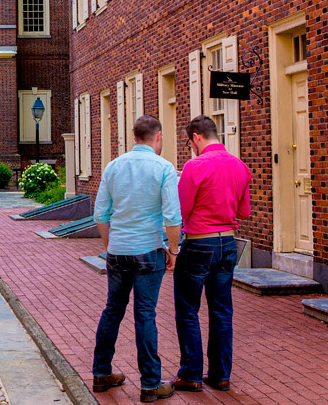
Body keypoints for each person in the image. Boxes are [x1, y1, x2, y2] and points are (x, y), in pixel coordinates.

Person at [92, 115, 182, 402]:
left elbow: (100, 214)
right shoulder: (164, 168)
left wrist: (110, 245)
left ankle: (101, 373)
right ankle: (150, 384)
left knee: (112, 310)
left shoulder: (113, 167)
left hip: (118, 249)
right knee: (145, 314)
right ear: (158, 137)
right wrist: (174, 250)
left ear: (134, 137)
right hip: (149, 249)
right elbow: (172, 217)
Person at [171, 115, 250, 393]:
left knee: (188, 308)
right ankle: (220, 374)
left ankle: (191, 373)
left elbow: (181, 211)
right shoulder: (241, 166)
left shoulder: (195, 166)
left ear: (196, 137)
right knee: (221, 310)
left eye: (189, 142)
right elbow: (244, 212)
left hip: (199, 243)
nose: (190, 147)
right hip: (227, 243)